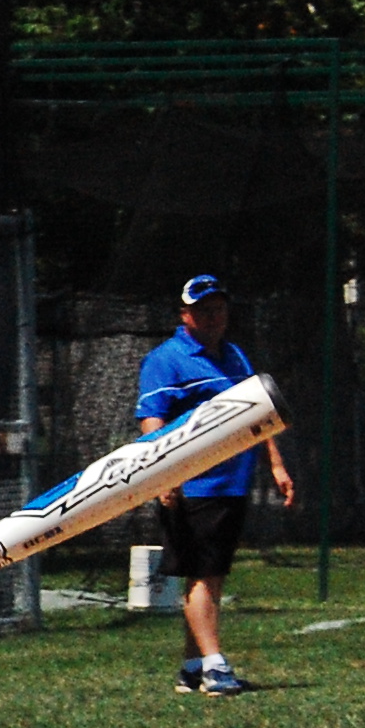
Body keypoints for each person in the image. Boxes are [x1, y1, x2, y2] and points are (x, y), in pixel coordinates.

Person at [134, 274, 296, 696]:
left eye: (219, 309)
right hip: (194, 487)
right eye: (203, 310)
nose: (213, 317)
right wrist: (163, 475)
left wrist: (276, 464)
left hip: (231, 483)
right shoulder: (165, 360)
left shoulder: (234, 356)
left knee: (211, 575)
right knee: (203, 575)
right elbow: (152, 421)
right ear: (184, 315)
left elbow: (258, 414)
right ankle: (215, 666)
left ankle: (193, 667)